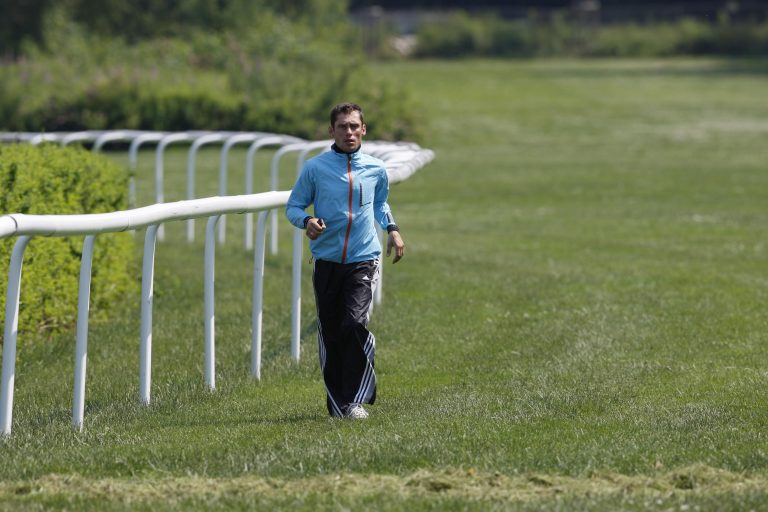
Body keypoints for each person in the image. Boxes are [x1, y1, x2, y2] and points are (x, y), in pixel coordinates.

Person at [285, 102, 405, 420]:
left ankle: (355, 400)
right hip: (325, 260)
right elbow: (293, 206)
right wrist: (306, 221)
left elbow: (380, 203)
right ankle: (339, 404)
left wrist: (392, 230)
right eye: (342, 126)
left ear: (363, 130)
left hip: (364, 258)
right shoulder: (315, 169)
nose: (349, 132)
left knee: (353, 324)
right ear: (331, 131)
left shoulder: (376, 169)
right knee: (331, 330)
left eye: (354, 126)